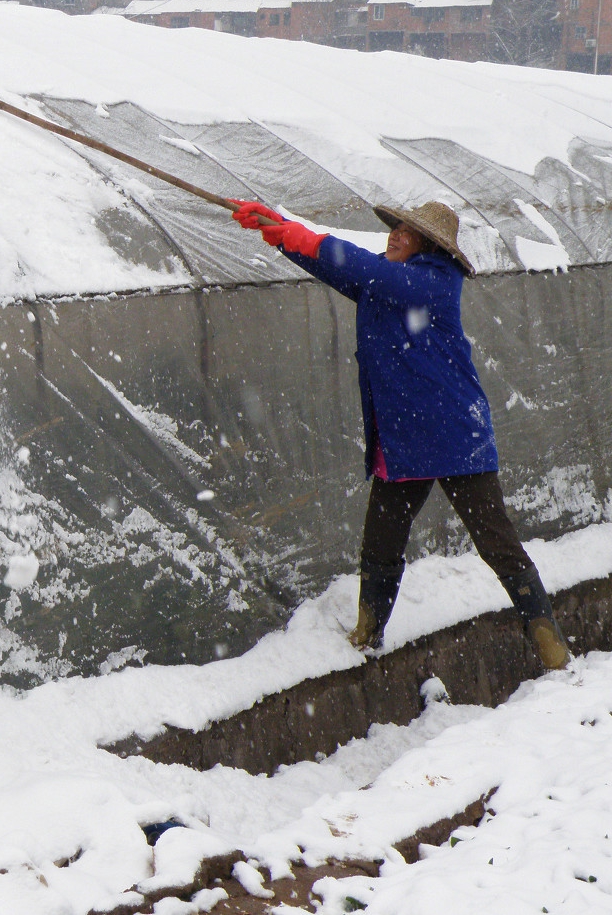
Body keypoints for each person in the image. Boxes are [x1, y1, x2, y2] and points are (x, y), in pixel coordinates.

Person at [230, 198, 572, 671]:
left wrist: (304, 235)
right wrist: (278, 230)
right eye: (395, 229)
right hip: (405, 442)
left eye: (405, 233)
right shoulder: (385, 283)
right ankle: (368, 634)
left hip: (455, 438)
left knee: (496, 541)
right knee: (381, 542)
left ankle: (550, 645)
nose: (394, 235)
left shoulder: (433, 281)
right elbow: (339, 268)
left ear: (429, 246)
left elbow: (369, 271)